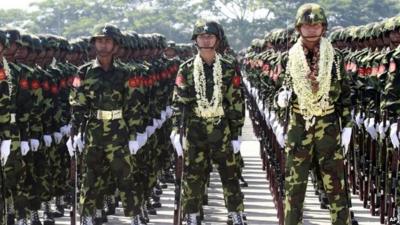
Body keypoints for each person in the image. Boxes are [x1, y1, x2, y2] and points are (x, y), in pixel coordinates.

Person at [277, 3, 352, 225]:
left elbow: (344, 94)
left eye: (316, 24)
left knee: (335, 183)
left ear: (323, 27)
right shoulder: (288, 57)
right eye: (306, 25)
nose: (311, 29)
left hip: (327, 124)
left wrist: (347, 125)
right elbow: (281, 89)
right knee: (294, 184)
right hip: (299, 123)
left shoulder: (336, 57)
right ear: (298, 27)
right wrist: (280, 103)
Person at [170, 19, 245, 225]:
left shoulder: (229, 68)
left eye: (210, 36)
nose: (205, 39)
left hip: (222, 128)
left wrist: (236, 133)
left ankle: (235, 213)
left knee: (230, 174)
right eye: (201, 36)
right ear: (196, 40)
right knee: (193, 175)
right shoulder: (185, 69)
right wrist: (177, 130)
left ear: (217, 40)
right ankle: (192, 215)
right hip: (195, 129)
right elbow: (179, 103)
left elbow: (236, 102)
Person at [67, 24, 140, 225]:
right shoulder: (84, 72)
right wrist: (75, 134)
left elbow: (133, 106)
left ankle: (134, 216)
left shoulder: (126, 73)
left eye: (108, 41)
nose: (104, 44)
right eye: (100, 40)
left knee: (125, 177)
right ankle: (87, 218)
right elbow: (77, 105)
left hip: (119, 131)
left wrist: (134, 135)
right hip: (94, 131)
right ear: (94, 44)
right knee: (90, 178)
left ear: (115, 45)